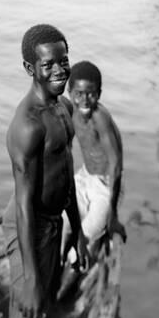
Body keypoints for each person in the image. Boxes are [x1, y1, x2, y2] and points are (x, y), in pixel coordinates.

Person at [2, 24, 89, 318]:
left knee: (47, 306)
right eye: (48, 64)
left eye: (63, 61)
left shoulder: (63, 107)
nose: (59, 70)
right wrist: (30, 278)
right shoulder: (27, 125)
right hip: (29, 224)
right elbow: (24, 203)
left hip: (53, 222)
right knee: (29, 316)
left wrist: (77, 231)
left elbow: (65, 177)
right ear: (30, 68)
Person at [60, 61, 127, 269]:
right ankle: (56, 268)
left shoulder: (100, 118)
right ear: (70, 92)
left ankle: (70, 276)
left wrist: (113, 216)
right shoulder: (69, 111)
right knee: (61, 224)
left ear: (99, 93)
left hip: (106, 186)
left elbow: (116, 165)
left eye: (90, 93)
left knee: (83, 241)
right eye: (78, 94)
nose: (84, 100)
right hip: (84, 177)